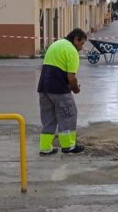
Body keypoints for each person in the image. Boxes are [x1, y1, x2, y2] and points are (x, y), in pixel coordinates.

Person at [37, 28, 87, 156]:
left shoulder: (56, 44)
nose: (82, 47)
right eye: (81, 43)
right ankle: (68, 146)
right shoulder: (72, 51)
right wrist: (76, 89)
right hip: (59, 90)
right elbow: (71, 77)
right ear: (76, 39)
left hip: (44, 88)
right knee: (68, 115)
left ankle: (45, 148)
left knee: (48, 119)